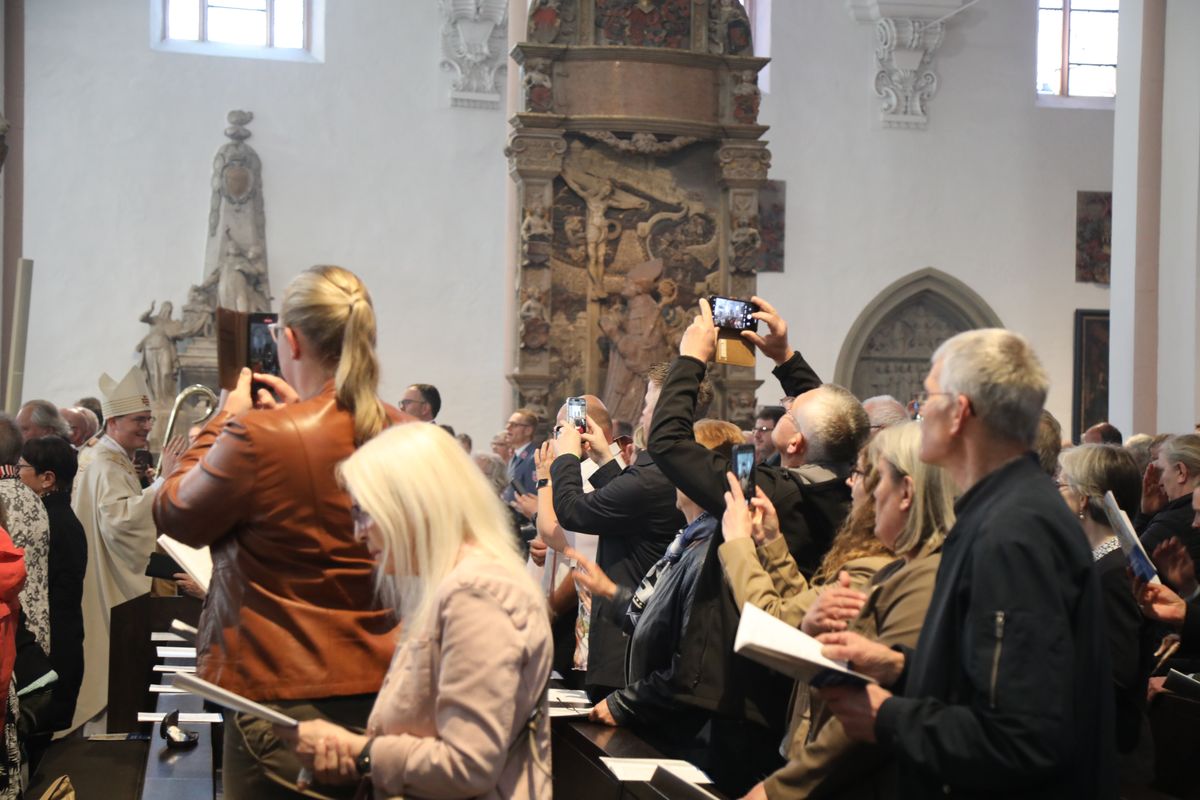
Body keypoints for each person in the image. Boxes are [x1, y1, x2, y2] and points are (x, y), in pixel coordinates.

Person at [818, 328, 1116, 798]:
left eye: (929, 394)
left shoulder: (1015, 532)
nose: (920, 407)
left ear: (959, 413)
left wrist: (888, 715)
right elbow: (984, 673)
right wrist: (899, 666)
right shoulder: (1001, 511)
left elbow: (1022, 737)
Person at [154, 265, 411, 798]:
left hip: (283, 696)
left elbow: (177, 512)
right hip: (392, 692)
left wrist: (223, 421)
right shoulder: (408, 433)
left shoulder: (258, 435)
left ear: (288, 340)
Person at [273, 424, 552, 800]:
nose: (358, 533)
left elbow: (469, 765)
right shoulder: (454, 583)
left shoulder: (476, 592)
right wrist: (357, 758)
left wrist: (361, 752)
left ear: (411, 504)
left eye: (364, 513)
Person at [735, 420, 954, 800]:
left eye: (870, 475)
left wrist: (776, 791)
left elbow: (868, 715)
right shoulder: (898, 569)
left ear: (906, 492)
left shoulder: (922, 579)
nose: (856, 486)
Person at [568, 420, 744, 745]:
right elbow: (658, 619)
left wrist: (624, 704)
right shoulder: (688, 540)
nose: (669, 474)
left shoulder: (709, 550)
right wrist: (612, 593)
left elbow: (690, 666)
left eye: (675, 464)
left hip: (683, 733)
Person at [546, 389, 682, 700]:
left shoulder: (650, 476)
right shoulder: (654, 472)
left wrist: (565, 456)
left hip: (627, 636)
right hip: (629, 624)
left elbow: (572, 512)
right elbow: (628, 513)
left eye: (647, 402)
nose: (641, 411)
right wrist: (604, 458)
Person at [71, 367, 183, 733]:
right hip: (107, 578)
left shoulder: (112, 459)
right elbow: (121, 522)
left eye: (149, 418)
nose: (147, 426)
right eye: (140, 419)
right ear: (114, 421)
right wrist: (164, 480)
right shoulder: (105, 464)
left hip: (110, 572)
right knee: (107, 657)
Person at [1056, 444, 1154, 754]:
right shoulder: (1103, 560)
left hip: (1106, 742)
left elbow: (1115, 673)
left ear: (1082, 499)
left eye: (1059, 485)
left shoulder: (1114, 571)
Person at [17, 437, 87, 733]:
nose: (15, 475)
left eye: (21, 468)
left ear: (47, 479)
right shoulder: (59, 518)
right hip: (61, 653)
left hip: (52, 659)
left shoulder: (48, 523)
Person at [1136, 433, 1200, 564]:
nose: (1159, 481)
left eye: (1162, 471)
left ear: (1181, 472)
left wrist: (1144, 517)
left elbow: (1131, 568)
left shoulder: (1172, 522)